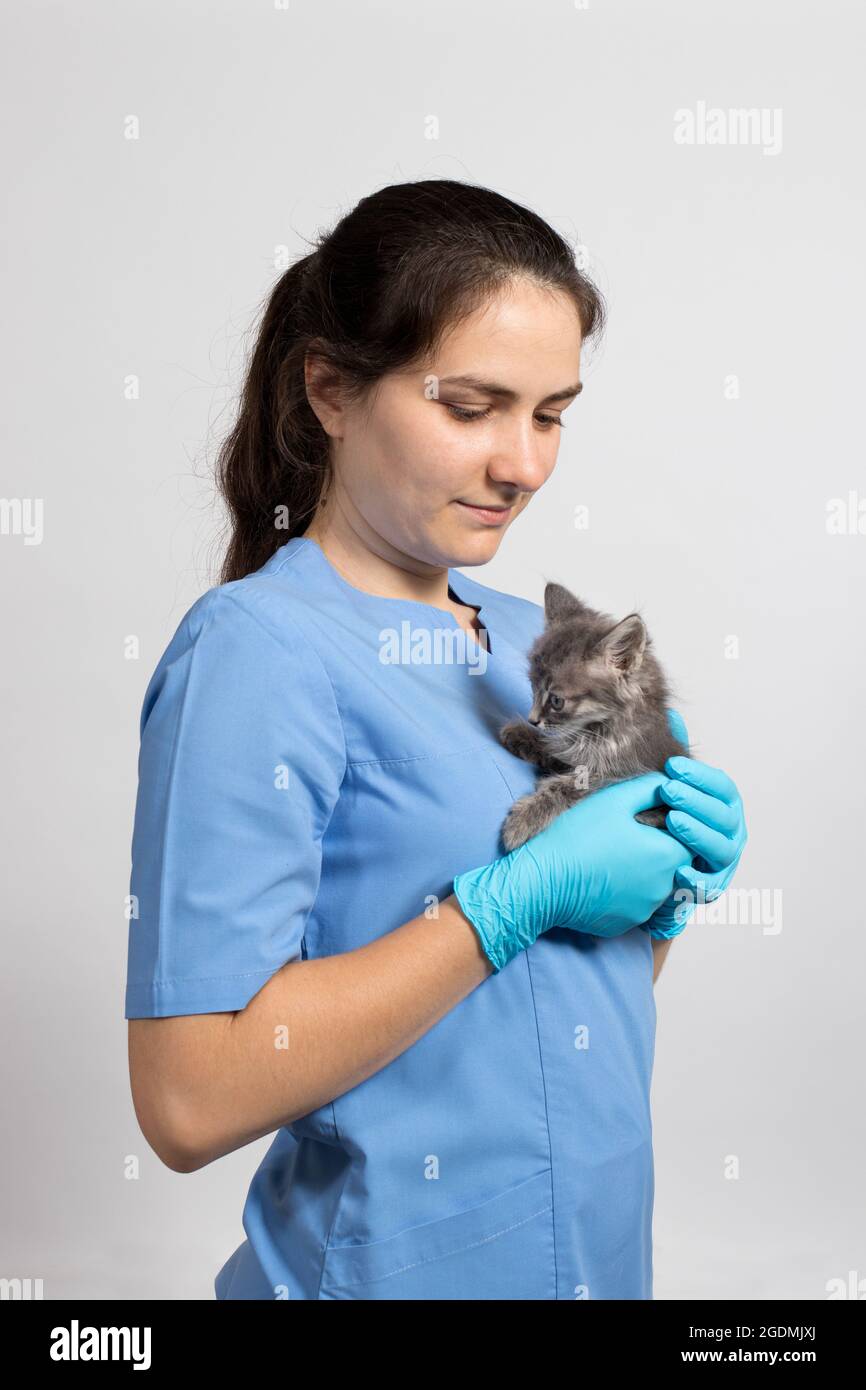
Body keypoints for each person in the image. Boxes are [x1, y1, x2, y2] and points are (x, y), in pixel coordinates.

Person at [124, 179, 747, 1300]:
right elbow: (187, 1099)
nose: (523, 464)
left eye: (550, 412)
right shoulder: (258, 652)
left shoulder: (528, 643)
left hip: (597, 1258)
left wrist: (660, 899)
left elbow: (548, 1014)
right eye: (471, 406)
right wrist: (505, 899)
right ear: (329, 390)